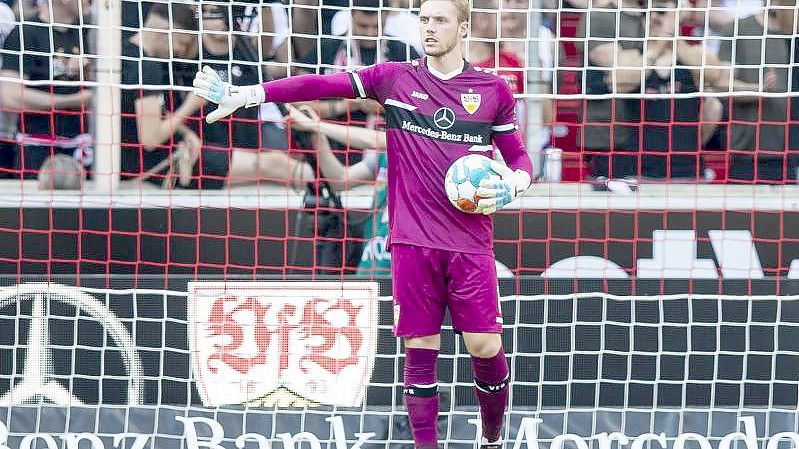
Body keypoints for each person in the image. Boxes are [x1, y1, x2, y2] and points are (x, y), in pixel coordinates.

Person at [192, 1, 533, 448]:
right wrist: (251, 94)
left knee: (485, 347)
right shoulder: (394, 78)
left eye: (440, 21)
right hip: (411, 241)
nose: (429, 29)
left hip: (470, 241)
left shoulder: (491, 91)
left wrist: (515, 183)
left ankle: (492, 437)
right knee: (419, 351)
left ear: (463, 28)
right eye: (424, 20)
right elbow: (319, 83)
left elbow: (519, 157)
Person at [286, 104, 390, 276]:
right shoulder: (384, 156)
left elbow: (375, 140)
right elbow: (340, 180)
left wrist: (313, 125)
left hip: (404, 270)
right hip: (372, 265)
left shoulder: (419, 142)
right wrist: (316, 134)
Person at [0, 0, 93, 179]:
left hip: (77, 146)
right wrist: (72, 101)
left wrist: (85, 71)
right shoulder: (26, 33)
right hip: (36, 148)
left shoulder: (82, 32)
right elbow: (10, 97)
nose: (91, 3)